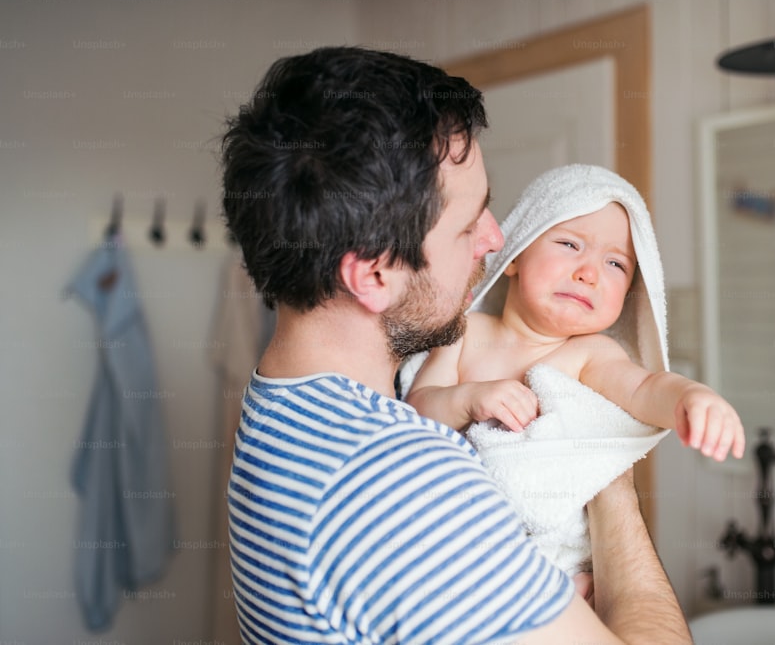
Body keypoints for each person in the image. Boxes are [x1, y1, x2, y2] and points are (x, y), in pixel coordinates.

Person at [220, 46, 692, 644]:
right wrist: (601, 464)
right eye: (470, 224)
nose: (496, 240)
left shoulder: (282, 408)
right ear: (373, 275)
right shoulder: (399, 482)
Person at [406, 164, 745, 460]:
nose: (589, 274)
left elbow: (646, 390)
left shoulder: (590, 355)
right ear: (514, 255)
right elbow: (416, 408)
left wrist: (691, 396)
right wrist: (468, 399)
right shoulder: (464, 332)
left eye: (615, 263)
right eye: (570, 245)